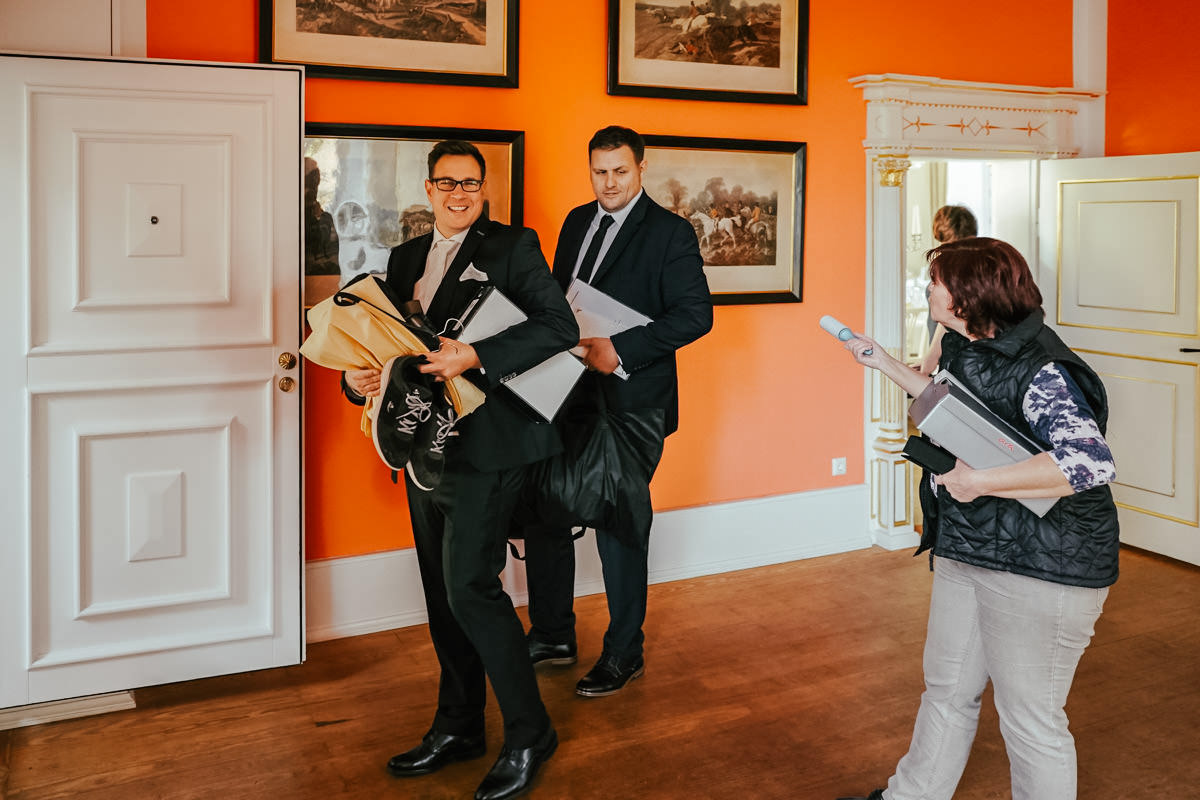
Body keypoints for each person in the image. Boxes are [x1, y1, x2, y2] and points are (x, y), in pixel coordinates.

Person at [836, 237, 1118, 800]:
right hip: (975, 546)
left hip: (1047, 564)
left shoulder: (1042, 369)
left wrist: (979, 482)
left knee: (1029, 718)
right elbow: (958, 409)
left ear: (967, 295)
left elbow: (1088, 461)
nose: (928, 288)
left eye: (937, 280)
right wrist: (882, 362)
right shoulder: (967, 343)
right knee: (946, 687)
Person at [343, 140, 578, 800]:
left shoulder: (514, 246)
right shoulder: (406, 257)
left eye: (470, 183)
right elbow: (384, 346)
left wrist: (473, 355)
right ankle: (459, 726)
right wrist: (362, 378)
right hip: (424, 452)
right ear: (428, 189)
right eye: (446, 183)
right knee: (444, 598)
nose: (458, 193)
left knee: (473, 590)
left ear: (483, 189)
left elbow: (557, 328)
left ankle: (531, 733)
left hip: (489, 449)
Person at [521, 125, 713, 697]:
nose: (609, 182)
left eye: (620, 171)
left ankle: (625, 652)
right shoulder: (577, 221)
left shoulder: (671, 232)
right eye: (600, 171)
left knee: (620, 524)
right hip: (569, 392)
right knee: (547, 506)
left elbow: (696, 315)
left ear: (641, 168)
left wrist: (620, 350)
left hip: (634, 403)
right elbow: (559, 301)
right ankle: (553, 633)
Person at [917, 204, 977, 376]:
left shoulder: (970, 269)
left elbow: (950, 317)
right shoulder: (950, 265)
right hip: (950, 353)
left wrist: (931, 357)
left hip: (962, 355)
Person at [304, 157, 340, 276]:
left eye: (315, 180)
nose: (312, 188)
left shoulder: (321, 215)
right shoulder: (296, 215)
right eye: (310, 180)